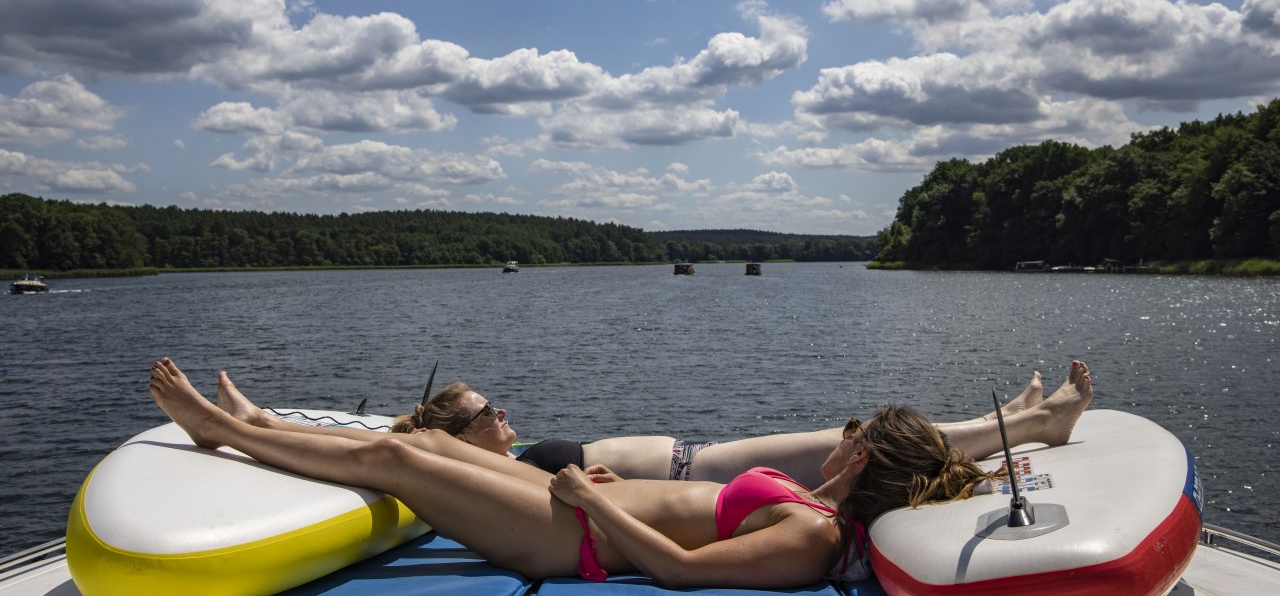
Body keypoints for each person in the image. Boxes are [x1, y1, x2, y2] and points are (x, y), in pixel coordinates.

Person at [150, 357, 1008, 589]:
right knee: (439, 446)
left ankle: (221, 431)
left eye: (853, 431)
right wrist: (600, 490)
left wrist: (585, 505)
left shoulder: (815, 536)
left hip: (573, 540)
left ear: (860, 458)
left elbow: (679, 569)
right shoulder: (811, 500)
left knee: (397, 457)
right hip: (588, 505)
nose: (841, 433)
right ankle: (263, 421)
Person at [217, 363, 1091, 488]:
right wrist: (256, 421)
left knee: (849, 433)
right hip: (692, 475)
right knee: (857, 443)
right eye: (492, 411)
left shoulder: (504, 448)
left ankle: (1010, 418)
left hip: (693, 458)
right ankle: (1030, 427)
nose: (507, 416)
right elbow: (371, 445)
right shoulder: (444, 448)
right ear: (459, 426)